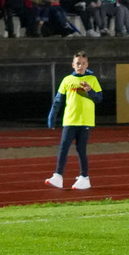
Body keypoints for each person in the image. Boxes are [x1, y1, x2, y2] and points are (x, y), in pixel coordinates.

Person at [45, 51, 102, 190]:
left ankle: (84, 177)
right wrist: (52, 118)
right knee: (63, 147)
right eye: (78, 63)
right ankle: (58, 176)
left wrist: (90, 90)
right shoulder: (67, 80)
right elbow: (58, 100)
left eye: (83, 63)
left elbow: (99, 99)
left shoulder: (92, 80)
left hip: (85, 121)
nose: (80, 66)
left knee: (81, 149)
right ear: (73, 65)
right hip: (70, 120)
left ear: (87, 64)